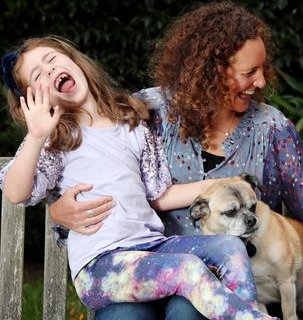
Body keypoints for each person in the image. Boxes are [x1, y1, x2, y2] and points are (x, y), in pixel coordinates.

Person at [46, 1, 303, 319]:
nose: (262, 82)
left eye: (263, 69)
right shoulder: (144, 113)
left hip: (234, 287)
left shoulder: (271, 129)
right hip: (142, 272)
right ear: (211, 72)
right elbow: (88, 160)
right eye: (249, 72)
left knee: (188, 311)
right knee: (121, 316)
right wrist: (60, 212)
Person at [0, 36, 274, 320]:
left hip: (151, 247)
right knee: (188, 269)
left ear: (74, 60)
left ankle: (248, 313)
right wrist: (36, 134)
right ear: (33, 100)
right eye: (38, 76)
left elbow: (159, 195)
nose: (49, 71)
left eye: (52, 60)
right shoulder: (55, 140)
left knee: (229, 246)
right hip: (102, 265)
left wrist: (219, 185)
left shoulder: (131, 123)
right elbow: (15, 192)